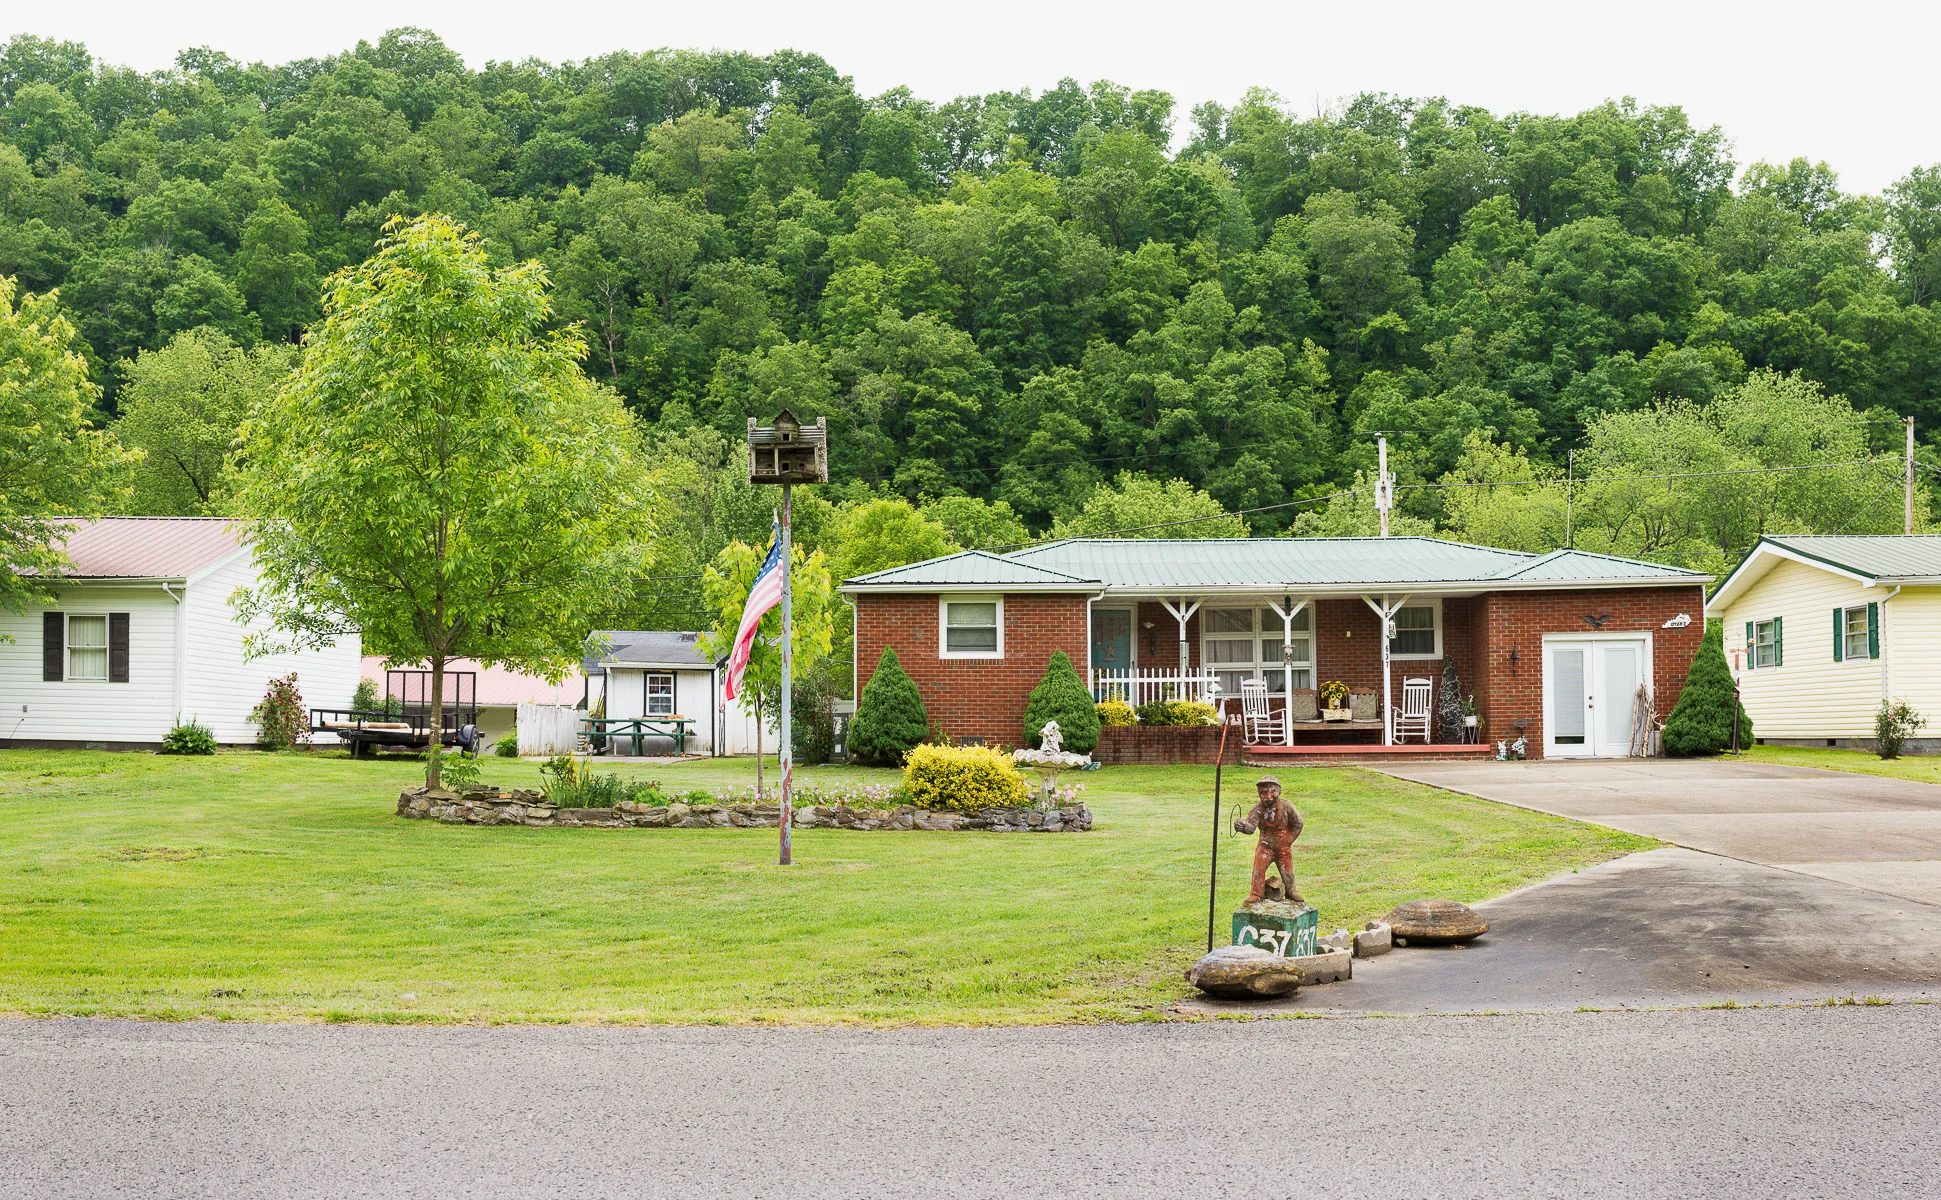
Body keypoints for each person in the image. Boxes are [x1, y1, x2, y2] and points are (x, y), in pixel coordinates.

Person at [1234, 775, 1304, 904]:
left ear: (1279, 791)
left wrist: (1289, 839)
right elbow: (1251, 828)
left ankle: (1291, 891)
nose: (1268, 795)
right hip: (1265, 845)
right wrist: (1242, 827)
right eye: (1263, 792)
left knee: (1287, 870)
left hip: (1283, 846)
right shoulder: (1257, 809)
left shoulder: (1286, 806)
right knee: (1258, 869)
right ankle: (1256, 893)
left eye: (1272, 791)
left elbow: (1298, 823)